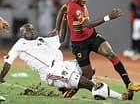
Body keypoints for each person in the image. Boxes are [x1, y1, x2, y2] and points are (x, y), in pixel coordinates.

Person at [50, 0, 140, 99]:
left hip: (92, 36)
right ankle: (74, 88)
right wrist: (108, 17)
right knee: (88, 75)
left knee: (111, 54)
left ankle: (129, 84)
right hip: (79, 45)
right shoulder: (74, 8)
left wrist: (57, 28)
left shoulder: (70, 5)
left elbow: (62, 9)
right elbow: (88, 24)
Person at [0, 23, 130, 101]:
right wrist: (1, 77)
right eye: (28, 29)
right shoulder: (20, 44)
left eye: (32, 28)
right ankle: (119, 96)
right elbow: (8, 62)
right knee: (93, 86)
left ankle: (71, 88)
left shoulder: (42, 39)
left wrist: (64, 18)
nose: (32, 30)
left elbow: (61, 37)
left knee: (89, 70)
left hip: (63, 64)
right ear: (22, 33)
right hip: (51, 72)